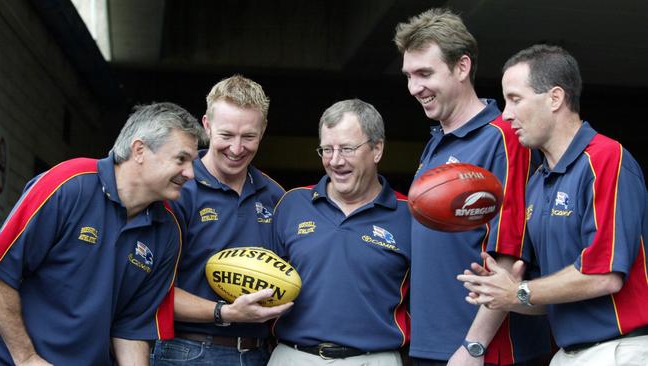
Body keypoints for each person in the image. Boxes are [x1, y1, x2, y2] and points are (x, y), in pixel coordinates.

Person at [457, 44, 648, 366]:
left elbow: (604, 276)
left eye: (515, 99)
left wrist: (519, 292)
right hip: (566, 354)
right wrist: (501, 291)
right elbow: (545, 297)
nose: (506, 114)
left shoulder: (606, 158)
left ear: (555, 98)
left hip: (618, 351)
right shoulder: (537, 182)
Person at [393, 8, 552, 366]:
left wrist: (474, 346)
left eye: (425, 73)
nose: (414, 87)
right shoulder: (436, 142)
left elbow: (512, 250)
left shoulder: (504, 136)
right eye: (408, 75)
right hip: (432, 346)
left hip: (484, 352)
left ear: (462, 67)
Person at [0, 102, 205, 365]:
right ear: (139, 150)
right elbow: (1, 275)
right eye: (181, 159)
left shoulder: (168, 231)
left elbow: (131, 328)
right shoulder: (68, 184)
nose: (190, 173)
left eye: (192, 162)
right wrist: (26, 357)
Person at [151, 75, 291, 366]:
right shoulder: (177, 190)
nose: (237, 149)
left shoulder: (275, 196)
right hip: (186, 351)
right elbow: (148, 289)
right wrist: (224, 312)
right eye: (226, 135)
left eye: (249, 137)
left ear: (263, 130)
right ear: (207, 125)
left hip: (258, 353)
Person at [267, 99, 411, 366]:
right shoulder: (291, 204)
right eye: (326, 149)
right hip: (292, 356)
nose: (335, 161)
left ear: (377, 149)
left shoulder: (410, 215)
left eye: (347, 148)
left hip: (374, 360)